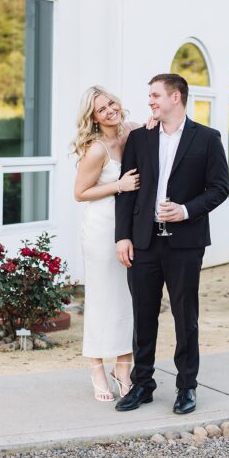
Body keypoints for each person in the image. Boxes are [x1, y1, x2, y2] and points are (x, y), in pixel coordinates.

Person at [114, 73, 229, 414]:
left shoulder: (207, 138)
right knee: (143, 315)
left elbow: (220, 188)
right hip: (144, 241)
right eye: (150, 96)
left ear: (176, 97)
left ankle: (186, 387)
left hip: (185, 244)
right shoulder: (139, 138)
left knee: (185, 316)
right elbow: (126, 190)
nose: (150, 101)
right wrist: (123, 236)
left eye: (155, 95)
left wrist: (185, 210)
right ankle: (143, 384)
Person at [71, 86, 142, 402]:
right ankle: (97, 367)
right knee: (101, 299)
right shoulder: (96, 149)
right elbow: (80, 193)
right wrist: (119, 185)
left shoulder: (132, 132)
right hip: (101, 230)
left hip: (129, 229)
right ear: (94, 117)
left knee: (127, 298)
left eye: (112, 102)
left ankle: (123, 368)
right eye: (102, 109)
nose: (110, 110)